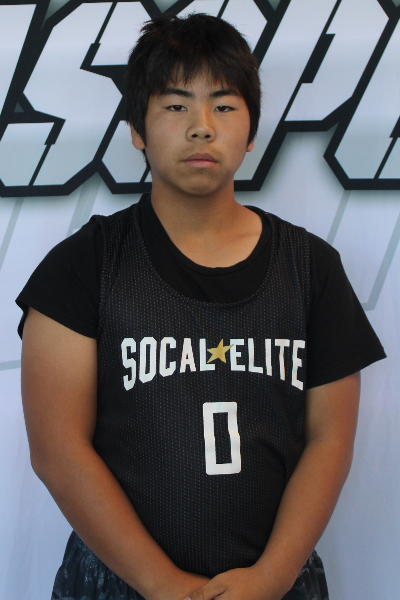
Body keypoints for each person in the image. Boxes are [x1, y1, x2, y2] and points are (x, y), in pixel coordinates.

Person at [17, 13, 385, 600]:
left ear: (252, 130)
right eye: (175, 105)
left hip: (275, 580)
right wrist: (163, 584)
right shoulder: (84, 266)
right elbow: (57, 450)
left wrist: (271, 576)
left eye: (224, 105)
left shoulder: (311, 267)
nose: (201, 128)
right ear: (137, 128)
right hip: (116, 581)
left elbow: (330, 439)